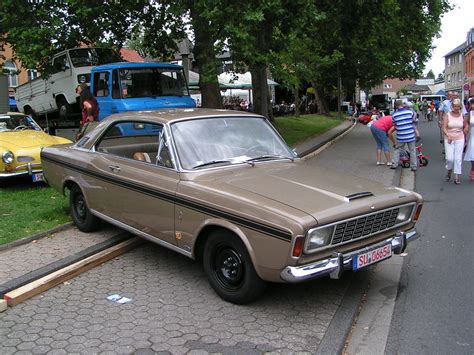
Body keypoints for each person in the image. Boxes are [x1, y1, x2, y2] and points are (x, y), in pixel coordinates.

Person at [442, 98, 468, 184]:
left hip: (460, 137)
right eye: (454, 106)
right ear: (452, 106)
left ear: (460, 107)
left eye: (458, 106)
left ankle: (457, 176)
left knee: (458, 158)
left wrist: (466, 129)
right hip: (449, 138)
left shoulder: (462, 115)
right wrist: (447, 134)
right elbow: (444, 127)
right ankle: (449, 170)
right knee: (450, 159)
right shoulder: (447, 115)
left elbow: (465, 125)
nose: (456, 108)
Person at [388, 100, 418, 171]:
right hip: (410, 135)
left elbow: (395, 125)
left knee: (397, 150)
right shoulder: (410, 112)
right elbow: (415, 121)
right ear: (402, 105)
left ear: (395, 106)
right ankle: (413, 166)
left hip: (401, 136)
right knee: (412, 150)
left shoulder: (394, 115)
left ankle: (394, 164)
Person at [463, 99, 474, 180]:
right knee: (472, 154)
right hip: (473, 135)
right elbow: (465, 124)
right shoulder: (469, 114)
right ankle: (473, 170)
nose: (473, 106)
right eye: (472, 104)